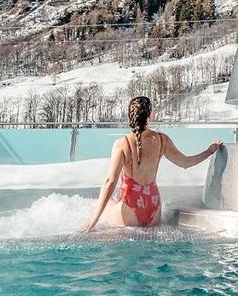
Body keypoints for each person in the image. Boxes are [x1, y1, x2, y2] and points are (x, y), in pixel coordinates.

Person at [80, 96, 221, 231]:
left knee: (92, 202)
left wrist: (94, 220)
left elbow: (110, 182)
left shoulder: (122, 144)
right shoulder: (161, 140)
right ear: (150, 115)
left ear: (130, 115)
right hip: (154, 208)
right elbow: (185, 162)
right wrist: (209, 151)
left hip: (130, 209)